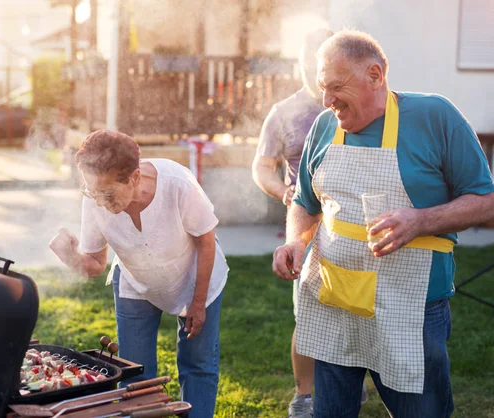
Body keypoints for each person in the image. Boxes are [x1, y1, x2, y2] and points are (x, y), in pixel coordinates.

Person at [272, 30, 494, 418]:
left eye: (336, 87)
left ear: (374, 75)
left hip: (410, 309)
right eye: (323, 88)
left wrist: (421, 220)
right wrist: (295, 241)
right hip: (336, 302)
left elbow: (487, 201)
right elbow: (305, 203)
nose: (327, 101)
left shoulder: (434, 117)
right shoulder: (325, 126)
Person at [49, 130, 229, 418]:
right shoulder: (95, 200)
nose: (98, 201)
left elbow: (206, 241)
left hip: (195, 276)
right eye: (91, 191)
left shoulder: (177, 183)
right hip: (136, 280)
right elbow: (96, 263)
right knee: (134, 373)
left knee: (198, 363)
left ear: (134, 177)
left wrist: (198, 302)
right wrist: (70, 256)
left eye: (106, 193)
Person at [253, 28, 364, 418]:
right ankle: (305, 394)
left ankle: (353, 382)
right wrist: (283, 193)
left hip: (355, 225)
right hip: (307, 226)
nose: (308, 69)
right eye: (302, 60)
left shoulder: (362, 105)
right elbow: (262, 167)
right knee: (310, 314)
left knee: (359, 307)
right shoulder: (283, 112)